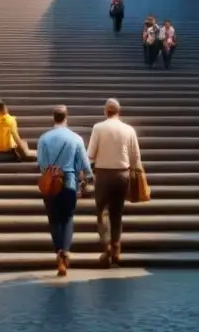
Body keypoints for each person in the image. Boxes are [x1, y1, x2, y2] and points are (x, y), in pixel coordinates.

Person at [37, 105, 92, 277]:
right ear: (66, 117)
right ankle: (65, 252)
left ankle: (58, 253)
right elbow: (84, 163)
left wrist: (50, 171)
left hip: (51, 183)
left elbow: (41, 163)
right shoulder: (75, 138)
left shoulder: (44, 138)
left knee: (54, 220)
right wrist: (87, 177)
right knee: (67, 218)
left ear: (53, 118)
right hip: (69, 183)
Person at [87, 98, 142, 267]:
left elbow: (90, 155)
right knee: (116, 213)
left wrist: (85, 173)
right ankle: (117, 248)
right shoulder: (129, 130)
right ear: (119, 111)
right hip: (122, 175)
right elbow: (135, 157)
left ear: (105, 111)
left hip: (103, 175)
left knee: (102, 212)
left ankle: (106, 248)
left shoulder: (98, 128)